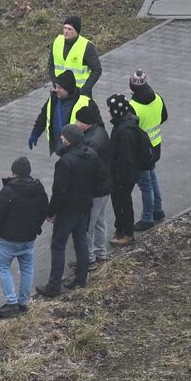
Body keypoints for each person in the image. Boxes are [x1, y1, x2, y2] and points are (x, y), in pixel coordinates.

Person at [35, 124, 103, 298]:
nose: (61, 139)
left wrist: (50, 211)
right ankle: (81, 278)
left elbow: (59, 191)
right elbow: (97, 180)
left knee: (58, 245)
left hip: (68, 210)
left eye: (63, 137)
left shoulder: (65, 162)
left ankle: (53, 286)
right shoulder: (91, 155)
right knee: (80, 240)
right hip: (85, 206)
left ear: (69, 140)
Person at [0, 156, 49, 317]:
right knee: (27, 268)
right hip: (28, 239)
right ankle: (23, 302)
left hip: (7, 240)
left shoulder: (8, 191)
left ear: (14, 172)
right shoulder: (38, 188)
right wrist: (36, 228)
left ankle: (12, 302)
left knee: (3, 269)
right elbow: (45, 209)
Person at [106, 92, 153, 246]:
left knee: (123, 203)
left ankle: (127, 233)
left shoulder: (125, 130)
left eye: (110, 108)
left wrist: (118, 178)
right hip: (124, 174)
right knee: (121, 202)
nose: (108, 111)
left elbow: (125, 158)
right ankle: (121, 229)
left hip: (123, 176)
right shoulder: (125, 123)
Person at [129, 70, 168, 229]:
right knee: (152, 178)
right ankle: (158, 210)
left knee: (145, 184)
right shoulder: (157, 97)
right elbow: (164, 116)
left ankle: (147, 218)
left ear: (132, 86)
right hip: (156, 145)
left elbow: (129, 131)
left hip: (141, 151)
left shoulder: (133, 106)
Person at [76, 102, 112, 267]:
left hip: (95, 190)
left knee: (87, 226)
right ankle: (101, 253)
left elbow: (87, 168)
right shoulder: (100, 132)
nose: (76, 123)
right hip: (104, 186)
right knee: (100, 221)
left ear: (86, 123)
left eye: (78, 121)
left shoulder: (91, 142)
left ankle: (89, 259)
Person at [29, 70, 93, 154]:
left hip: (75, 148)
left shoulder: (84, 101)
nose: (56, 90)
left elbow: (95, 125)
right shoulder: (54, 98)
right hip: (61, 145)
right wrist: (35, 133)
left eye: (59, 87)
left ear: (68, 89)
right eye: (56, 86)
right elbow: (43, 116)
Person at [47, 15, 102, 96]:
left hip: (79, 92)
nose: (66, 31)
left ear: (77, 31)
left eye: (69, 29)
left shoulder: (86, 46)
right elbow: (51, 64)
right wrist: (55, 84)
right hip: (60, 92)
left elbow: (97, 70)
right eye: (64, 28)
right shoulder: (58, 41)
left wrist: (85, 89)